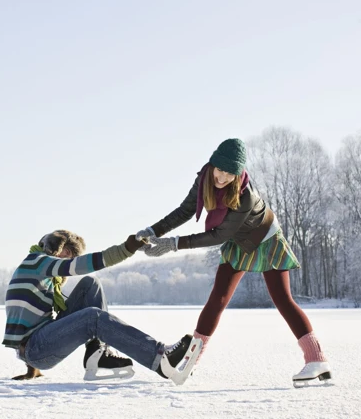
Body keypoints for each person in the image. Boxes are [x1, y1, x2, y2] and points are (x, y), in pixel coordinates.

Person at [135, 138, 332, 386]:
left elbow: (220, 235)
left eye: (230, 174)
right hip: (239, 241)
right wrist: (155, 230)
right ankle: (192, 359)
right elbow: (185, 210)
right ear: (213, 165)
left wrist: (172, 244)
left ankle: (317, 360)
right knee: (218, 298)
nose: (222, 178)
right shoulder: (204, 178)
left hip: (265, 239)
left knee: (282, 299)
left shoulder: (244, 195)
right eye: (220, 170)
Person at [3, 229, 198, 383]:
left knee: (90, 285)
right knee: (93, 317)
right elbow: (80, 265)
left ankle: (98, 353)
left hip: (36, 346)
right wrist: (125, 249)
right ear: (62, 249)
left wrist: (32, 369)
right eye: (69, 256)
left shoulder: (36, 268)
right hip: (36, 348)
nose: (69, 263)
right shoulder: (38, 262)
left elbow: (25, 319)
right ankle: (160, 359)